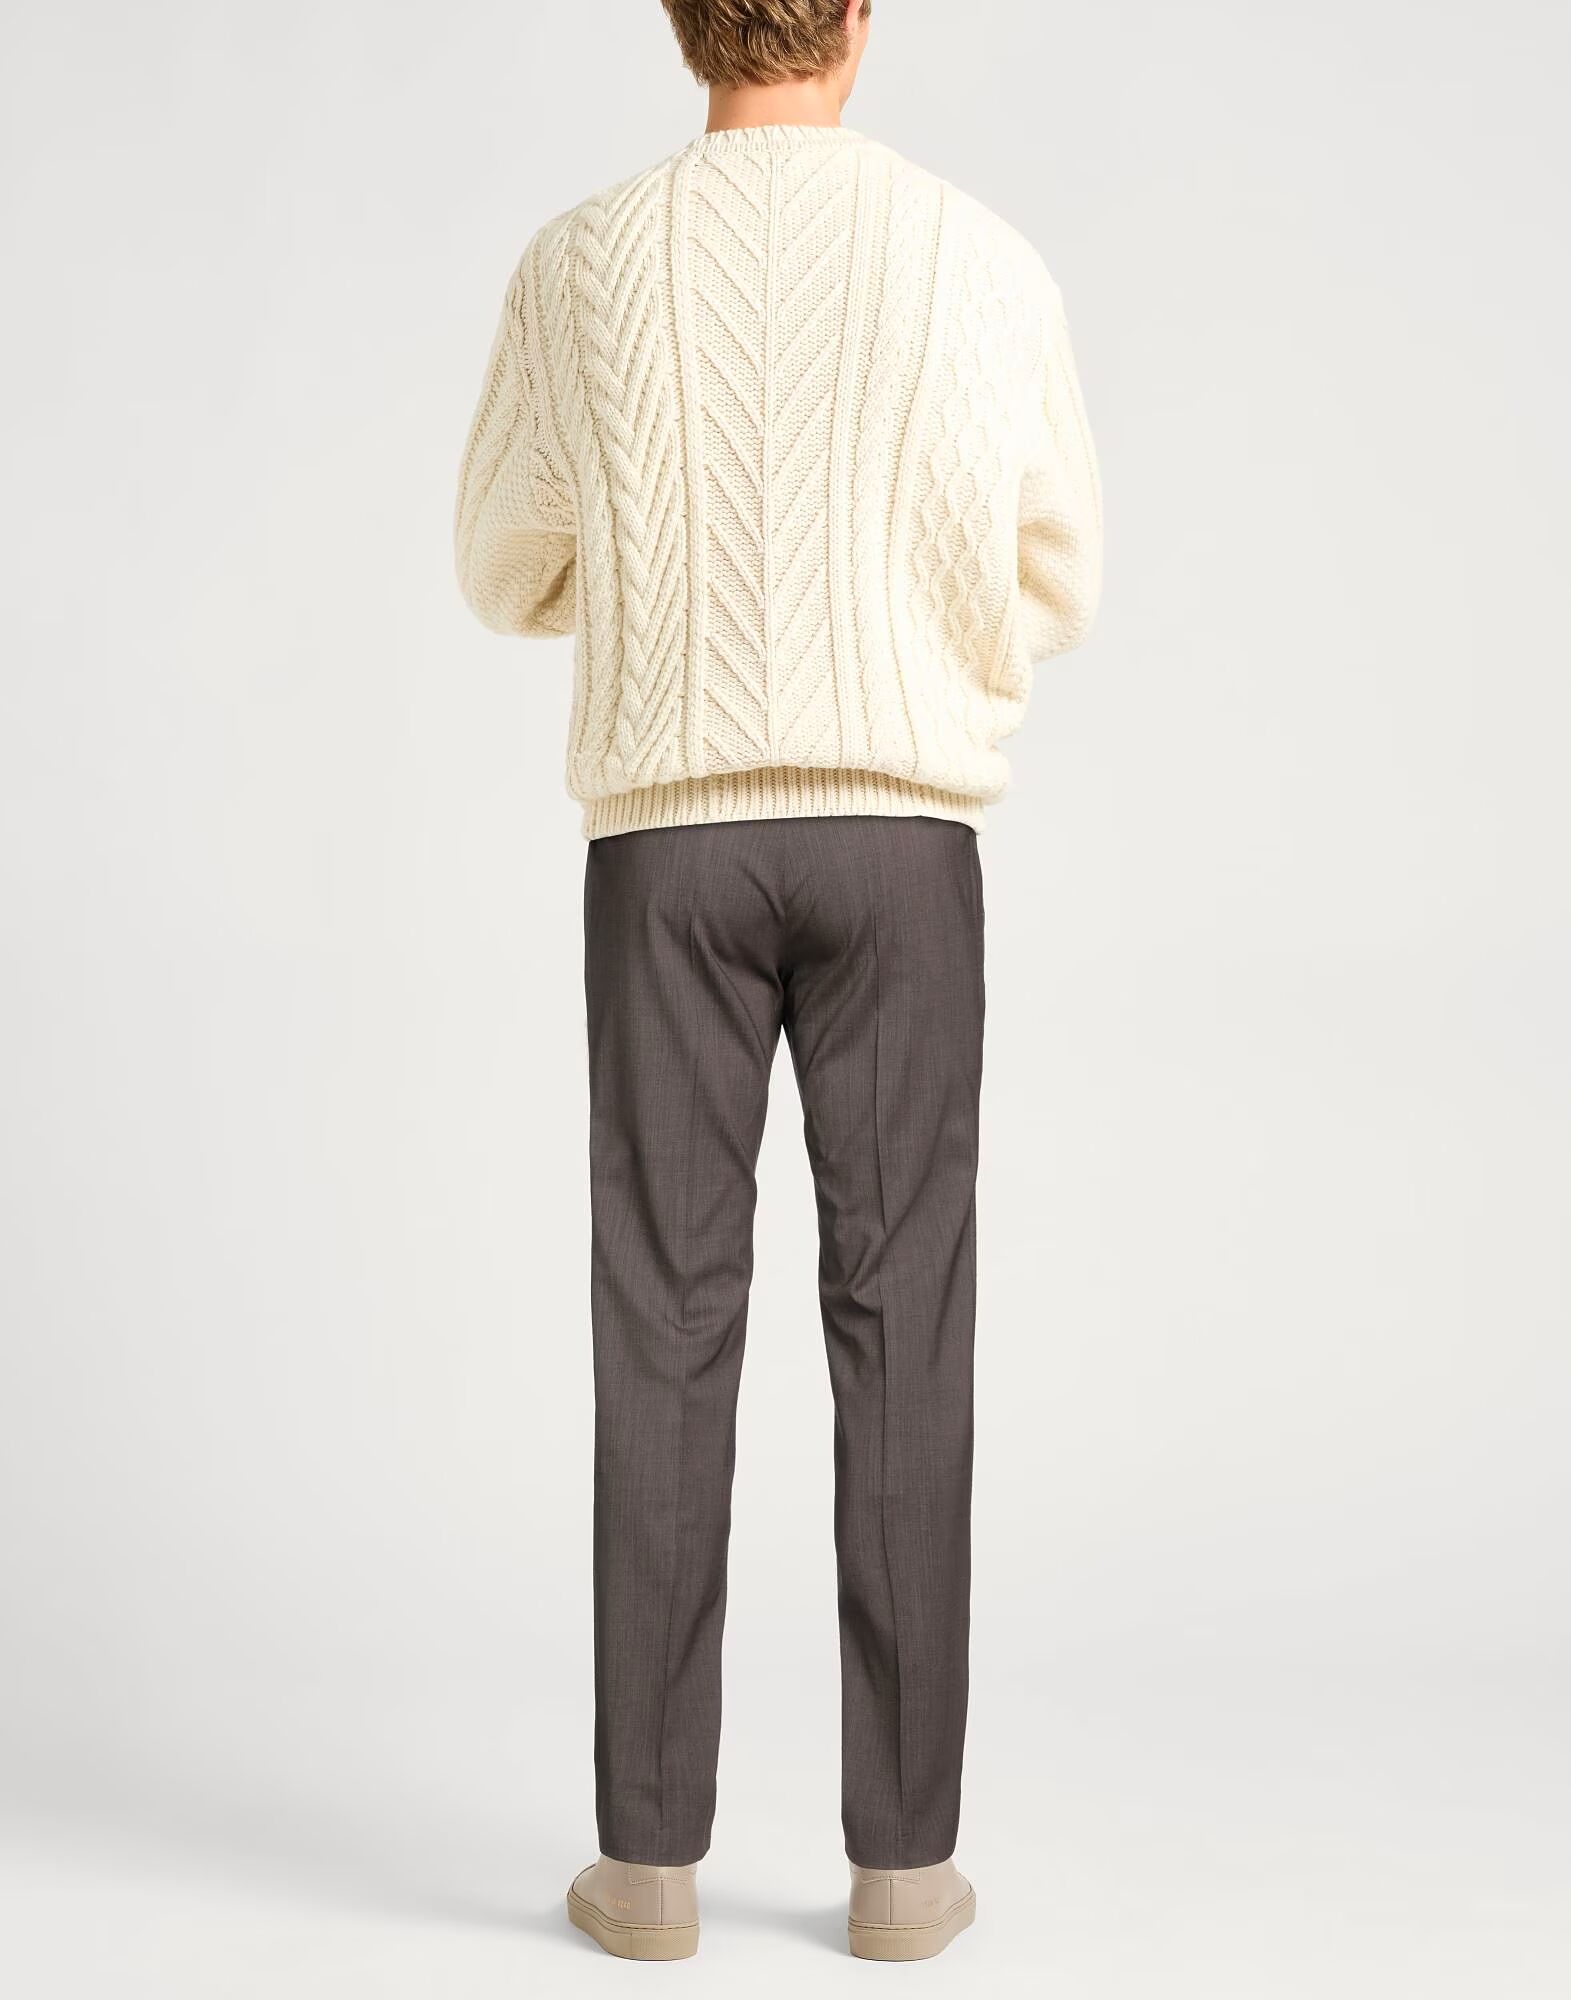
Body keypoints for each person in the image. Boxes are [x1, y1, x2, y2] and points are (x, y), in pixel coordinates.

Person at [453, 0, 1101, 1964]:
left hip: (669, 840)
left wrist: (664, 595)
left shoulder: (583, 261)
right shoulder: (978, 257)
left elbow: (500, 563)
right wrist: (905, 631)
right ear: (861, 16)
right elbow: (1060, 573)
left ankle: (647, 1868)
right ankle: (904, 1874)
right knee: (907, 1314)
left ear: (680, 22)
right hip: (901, 841)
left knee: (662, 1310)